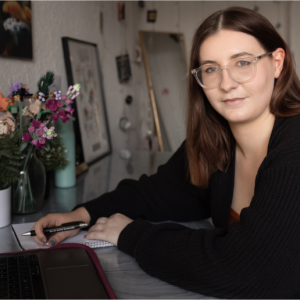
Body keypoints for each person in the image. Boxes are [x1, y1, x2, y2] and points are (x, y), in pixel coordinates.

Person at [33, 6, 300, 300]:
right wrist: (81, 215)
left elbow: (248, 270)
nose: (226, 83)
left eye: (243, 63)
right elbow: (158, 192)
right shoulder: (216, 142)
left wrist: (131, 235)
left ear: (277, 63)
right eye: (211, 69)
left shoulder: (293, 150)